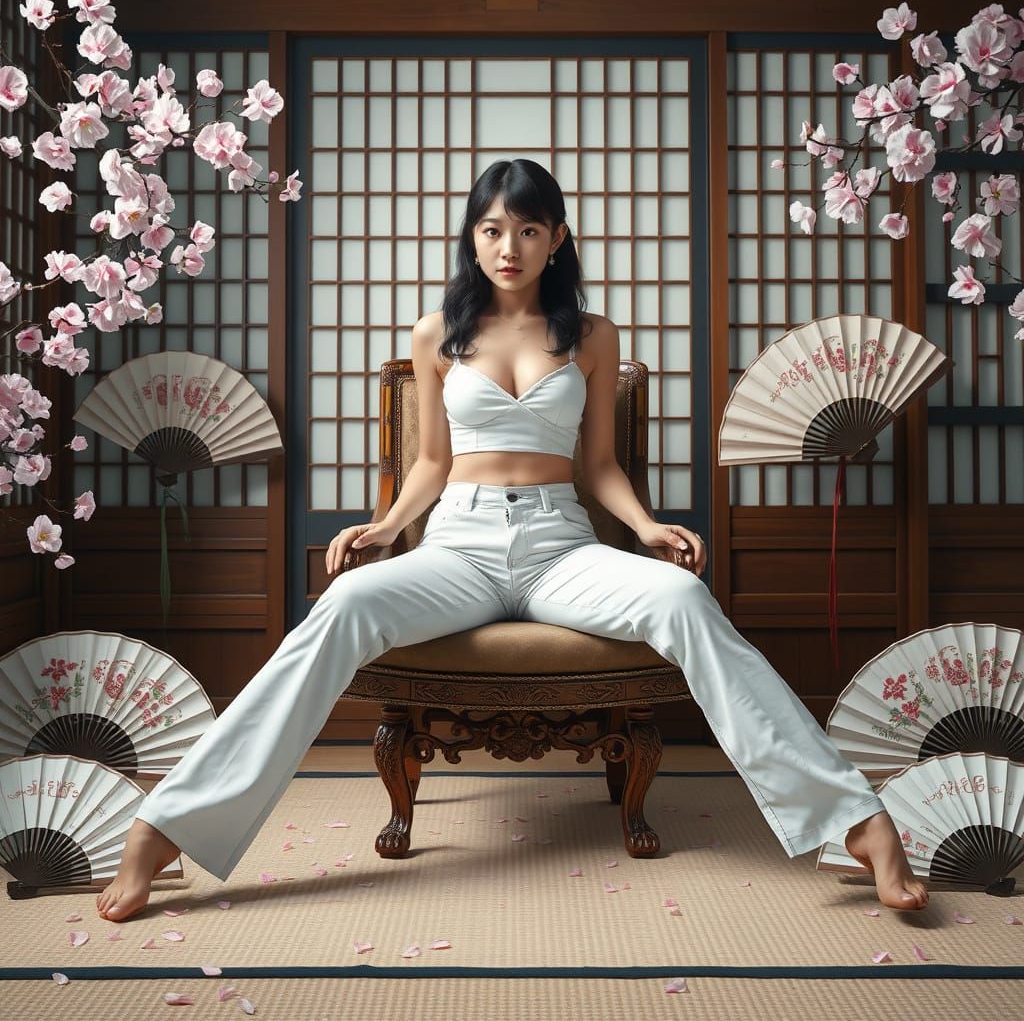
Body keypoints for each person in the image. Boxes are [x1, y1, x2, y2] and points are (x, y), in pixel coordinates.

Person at [96, 158, 929, 922]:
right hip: (458, 546)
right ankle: (167, 829)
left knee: (683, 597)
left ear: (556, 238)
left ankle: (855, 822)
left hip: (561, 546)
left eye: (529, 229)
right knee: (343, 604)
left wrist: (646, 527)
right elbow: (432, 461)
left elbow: (597, 464)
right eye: (493, 229)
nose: (509, 247)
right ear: (472, 236)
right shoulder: (436, 334)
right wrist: (385, 528)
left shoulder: (592, 335)